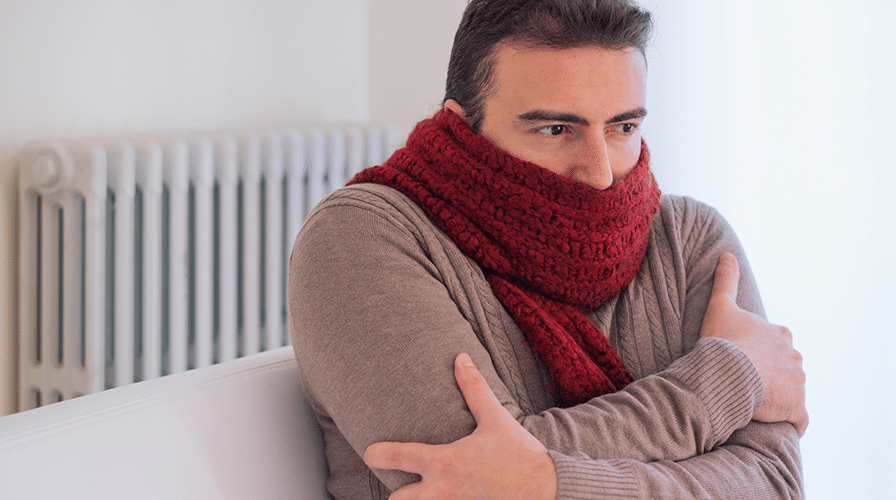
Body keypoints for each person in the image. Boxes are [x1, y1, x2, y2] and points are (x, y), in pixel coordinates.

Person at [288, 0, 807, 498]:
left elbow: (774, 485)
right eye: (556, 129)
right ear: (462, 124)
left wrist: (549, 484)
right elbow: (461, 483)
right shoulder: (363, 238)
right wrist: (730, 377)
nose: (601, 175)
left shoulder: (691, 239)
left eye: (623, 127)